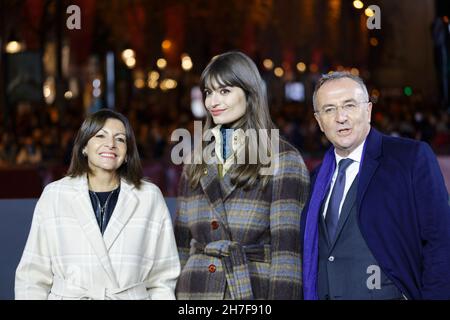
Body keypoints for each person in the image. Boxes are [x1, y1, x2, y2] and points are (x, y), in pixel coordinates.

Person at [301, 71, 450, 300]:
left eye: (349, 105)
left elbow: (441, 242)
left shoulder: (410, 159)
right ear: (319, 121)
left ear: (368, 110)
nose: (341, 117)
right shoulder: (315, 179)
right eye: (329, 109)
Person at [174, 51, 310, 300]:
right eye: (208, 92)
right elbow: (181, 247)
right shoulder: (195, 160)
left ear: (250, 93)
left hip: (252, 289)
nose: (213, 101)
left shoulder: (283, 158)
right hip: (194, 291)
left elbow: (287, 253)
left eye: (224, 91)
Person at [15, 109, 180, 300]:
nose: (110, 144)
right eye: (101, 135)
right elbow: (32, 276)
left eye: (120, 139)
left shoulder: (149, 197)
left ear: (127, 153)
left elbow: (163, 278)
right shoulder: (55, 195)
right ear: (84, 147)